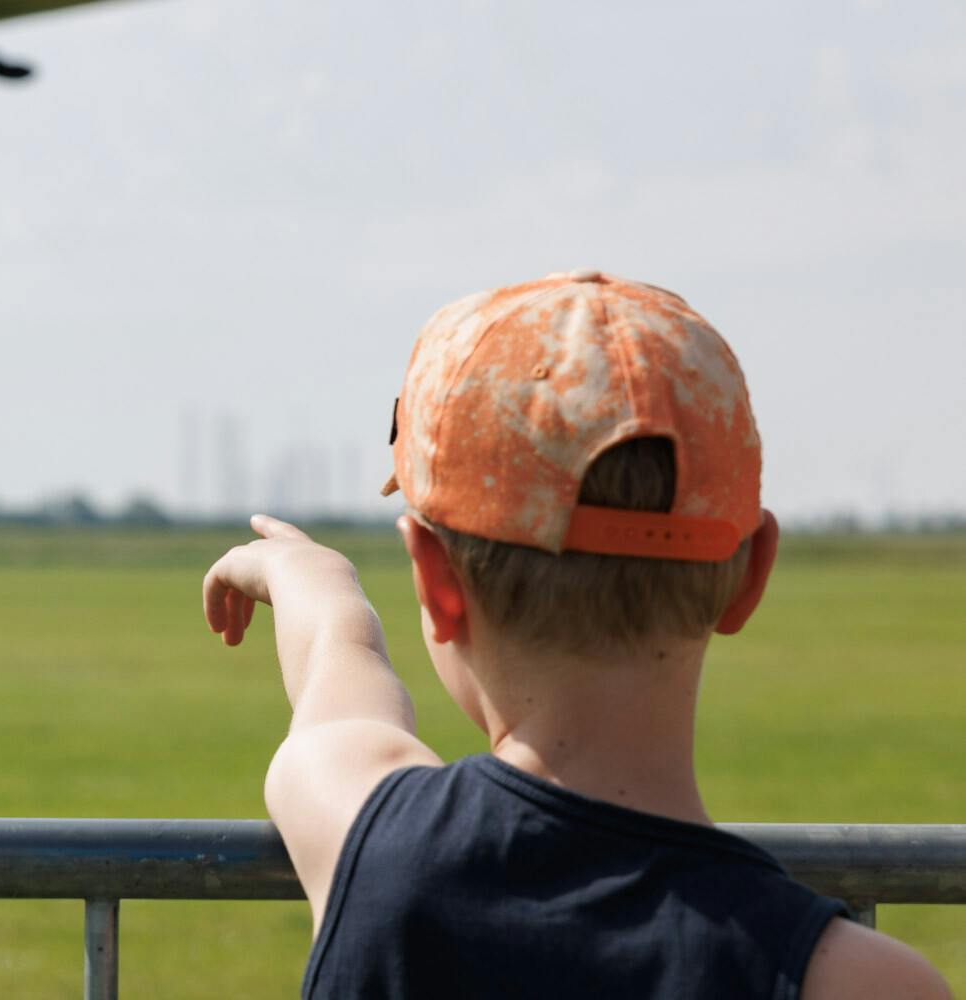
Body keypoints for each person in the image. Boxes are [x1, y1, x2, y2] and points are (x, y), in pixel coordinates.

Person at [201, 271, 949, 998]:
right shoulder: (861, 982)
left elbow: (340, 673)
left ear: (434, 583)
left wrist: (309, 574)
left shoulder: (364, 834)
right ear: (750, 577)